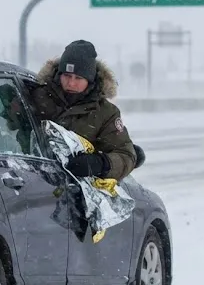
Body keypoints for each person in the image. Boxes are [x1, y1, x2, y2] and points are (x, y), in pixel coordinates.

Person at [27, 40, 138, 181]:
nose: (71, 83)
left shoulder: (105, 113)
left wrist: (101, 163)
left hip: (75, 192)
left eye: (78, 78)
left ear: (90, 80)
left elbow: (126, 155)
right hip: (33, 177)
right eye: (66, 75)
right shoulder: (35, 96)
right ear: (58, 74)